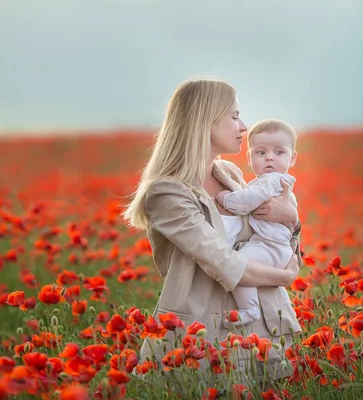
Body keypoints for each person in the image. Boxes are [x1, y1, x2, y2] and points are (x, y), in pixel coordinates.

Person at [123, 77, 302, 383]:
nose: (243, 126)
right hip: (206, 330)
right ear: (206, 121)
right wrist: (286, 276)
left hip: (260, 320)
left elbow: (269, 234)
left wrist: (293, 221)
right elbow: (225, 263)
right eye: (234, 116)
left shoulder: (229, 173)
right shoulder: (167, 194)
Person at [215, 119, 299, 328]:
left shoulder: (271, 181)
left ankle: (249, 310)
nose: (269, 157)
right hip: (271, 246)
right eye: (261, 153)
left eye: (279, 152)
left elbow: (246, 202)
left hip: (270, 247)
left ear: (293, 158)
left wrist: (225, 198)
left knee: (238, 265)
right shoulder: (275, 181)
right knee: (240, 264)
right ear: (250, 157)